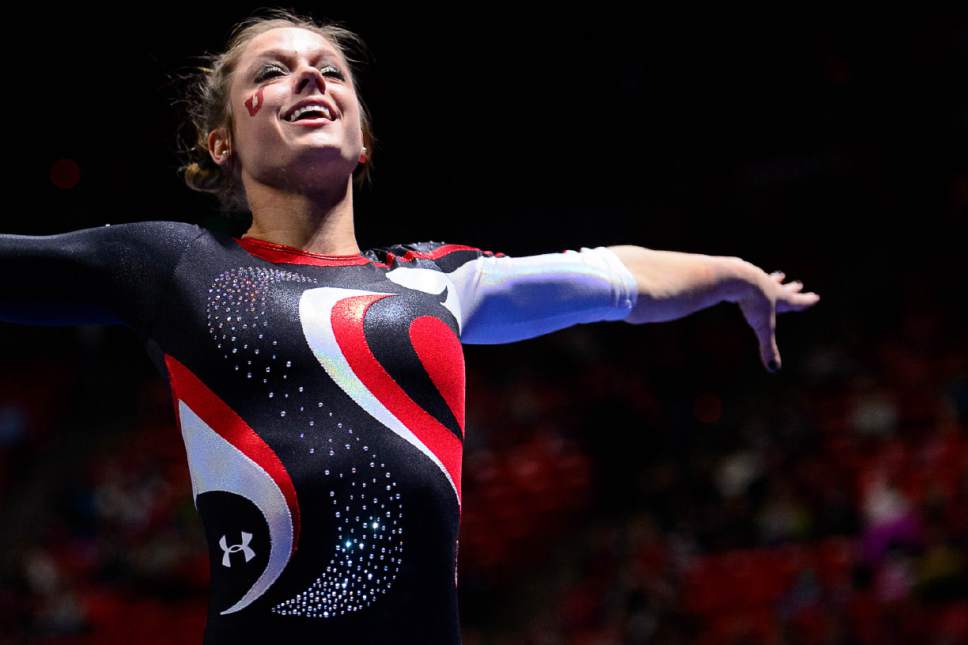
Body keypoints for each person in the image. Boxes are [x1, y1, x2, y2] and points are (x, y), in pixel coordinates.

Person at [0, 8, 820, 644]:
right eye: (274, 71)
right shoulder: (173, 264)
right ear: (220, 140)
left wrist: (732, 276)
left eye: (330, 71)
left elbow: (611, 274)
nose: (308, 79)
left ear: (362, 140)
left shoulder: (437, 277)